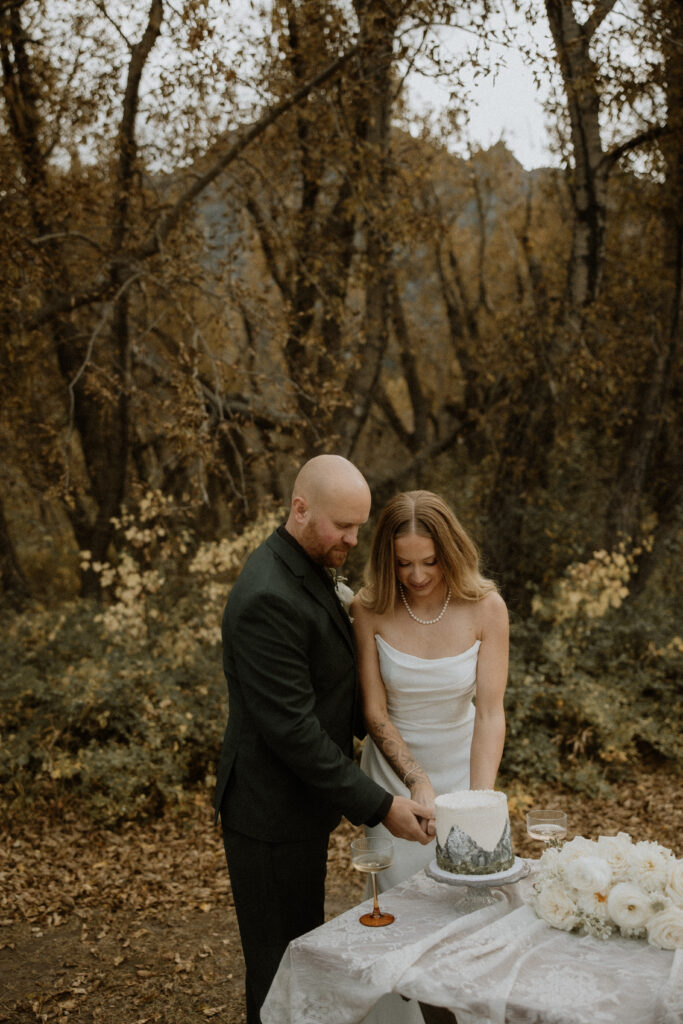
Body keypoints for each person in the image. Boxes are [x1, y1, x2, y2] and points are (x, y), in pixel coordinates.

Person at [214, 455, 434, 1024]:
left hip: (298, 809)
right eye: (343, 526)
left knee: (300, 953)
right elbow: (293, 730)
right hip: (266, 814)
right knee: (276, 965)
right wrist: (381, 805)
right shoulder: (267, 595)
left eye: (359, 526)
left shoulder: (307, 566)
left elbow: (334, 684)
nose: (353, 539)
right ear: (300, 509)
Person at [351, 490, 509, 1024]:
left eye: (429, 561)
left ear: (451, 551)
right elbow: (375, 714)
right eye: (402, 564)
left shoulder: (487, 606)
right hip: (397, 784)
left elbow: (490, 713)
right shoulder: (369, 609)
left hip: (467, 773)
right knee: (406, 930)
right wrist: (415, 782)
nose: (417, 576)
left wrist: (476, 803)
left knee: (471, 920)